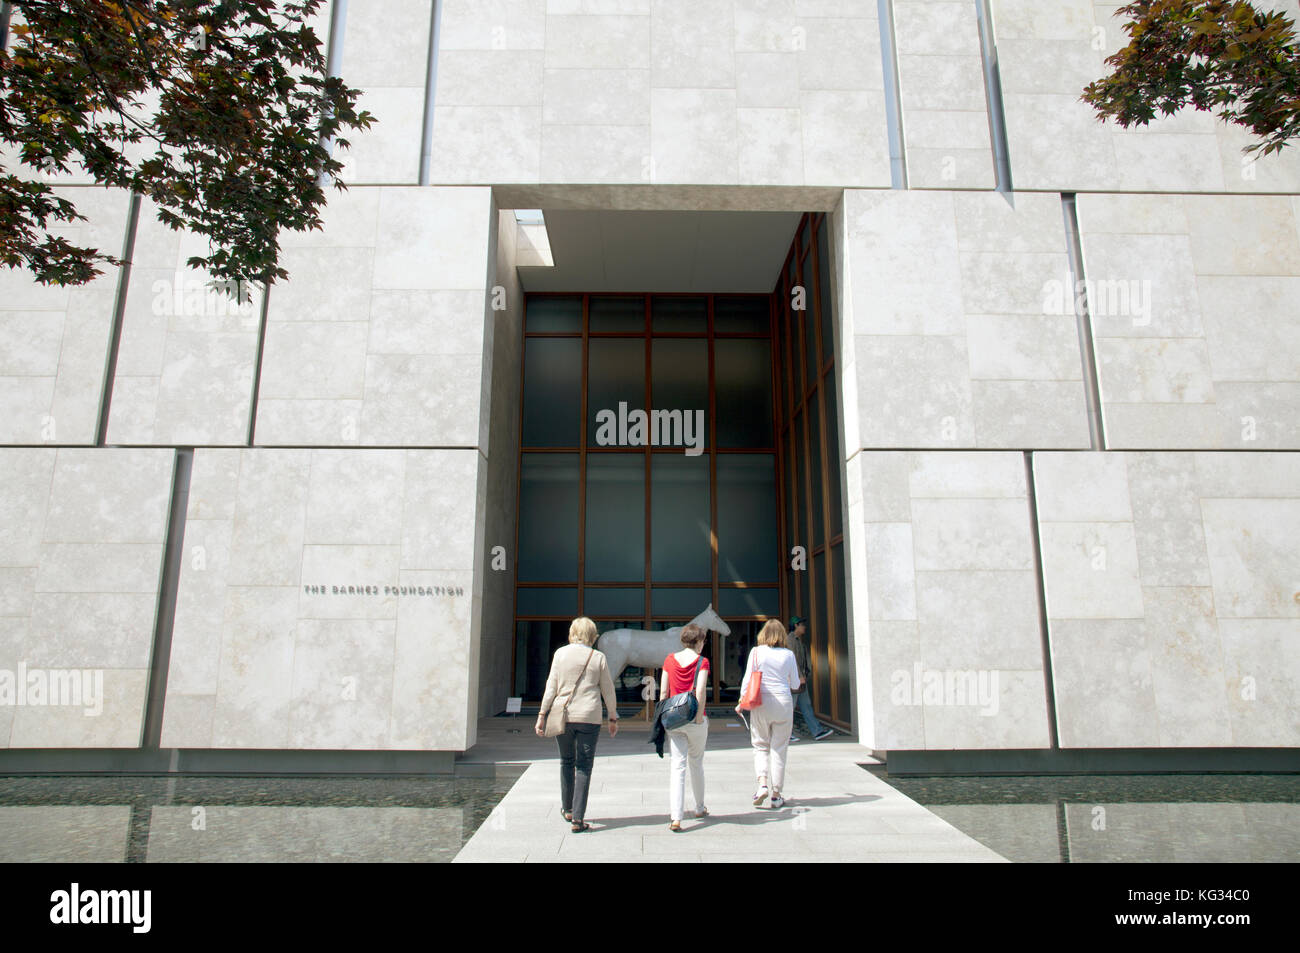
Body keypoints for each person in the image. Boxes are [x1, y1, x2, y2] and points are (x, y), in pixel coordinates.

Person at [535, 617, 619, 833]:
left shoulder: (560, 654)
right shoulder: (598, 657)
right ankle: (578, 820)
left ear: (572, 633)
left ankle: (568, 809)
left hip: (563, 714)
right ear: (593, 635)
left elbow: (551, 686)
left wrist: (542, 714)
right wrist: (612, 716)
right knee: (583, 765)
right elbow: (608, 689)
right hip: (589, 716)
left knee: (566, 761)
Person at [737, 619, 801, 810]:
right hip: (783, 702)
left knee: (760, 745)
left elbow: (748, 679)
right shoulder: (789, 655)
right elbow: (795, 684)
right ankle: (776, 794)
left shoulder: (756, 652)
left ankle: (762, 784)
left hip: (761, 702)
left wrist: (741, 702)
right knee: (779, 748)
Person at [660, 623, 710, 832]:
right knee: (696, 763)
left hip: (674, 720)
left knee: (677, 766)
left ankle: (676, 817)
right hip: (695, 719)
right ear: (698, 641)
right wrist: (698, 717)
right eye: (703, 641)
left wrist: (663, 719)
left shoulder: (669, 660)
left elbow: (663, 693)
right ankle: (699, 807)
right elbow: (700, 692)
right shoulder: (702, 661)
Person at [789, 616, 834, 741]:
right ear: (796, 625)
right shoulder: (790, 640)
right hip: (796, 680)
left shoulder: (798, 641)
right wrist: (799, 676)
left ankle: (817, 731)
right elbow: (792, 660)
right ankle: (786, 733)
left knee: (806, 706)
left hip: (801, 680)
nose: (805, 627)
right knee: (790, 707)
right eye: (802, 624)